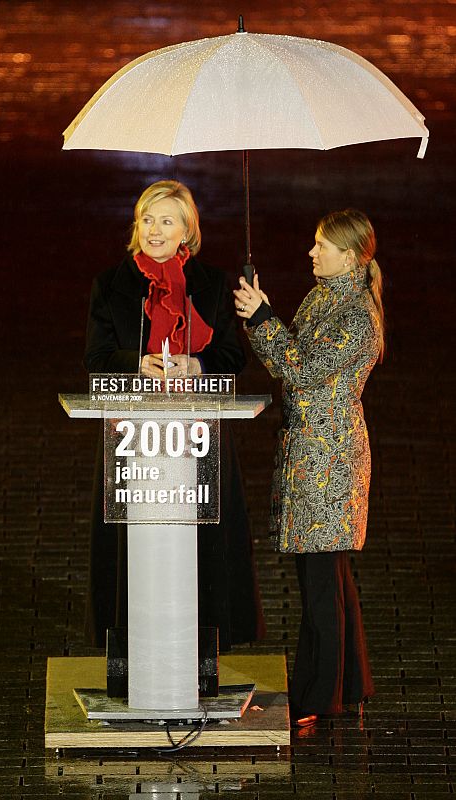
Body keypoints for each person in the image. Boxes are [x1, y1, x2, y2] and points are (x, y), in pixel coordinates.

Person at [84, 179, 265, 653]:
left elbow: (232, 355)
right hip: (133, 441)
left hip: (197, 437)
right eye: (147, 219)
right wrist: (135, 364)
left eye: (167, 221)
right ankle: (127, 658)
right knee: (132, 554)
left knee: (203, 551)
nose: (155, 230)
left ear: (187, 231)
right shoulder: (111, 283)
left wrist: (197, 365)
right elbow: (96, 357)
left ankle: (202, 659)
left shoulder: (213, 283)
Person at [234, 208, 383, 726]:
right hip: (313, 455)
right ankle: (352, 682)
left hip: (330, 459)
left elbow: (300, 371)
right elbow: (290, 358)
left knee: (321, 582)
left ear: (349, 256)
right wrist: (265, 315)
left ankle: (321, 695)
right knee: (329, 578)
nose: (311, 252)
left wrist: (262, 317)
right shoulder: (326, 297)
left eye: (321, 245)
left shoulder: (354, 316)